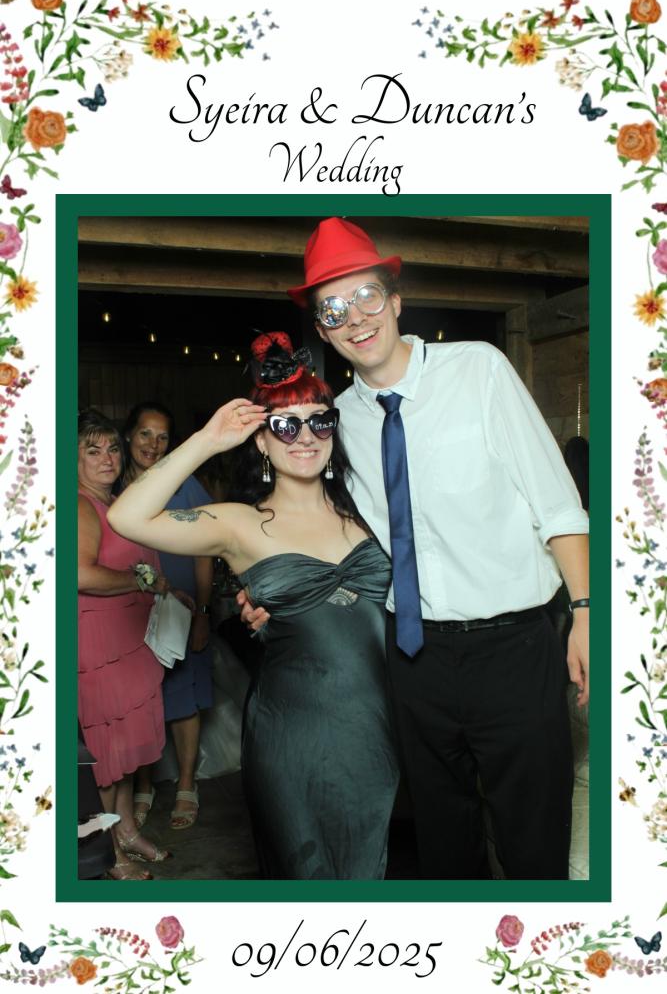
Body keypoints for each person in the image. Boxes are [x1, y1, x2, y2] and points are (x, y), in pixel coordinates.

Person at [243, 218, 590, 881]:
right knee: (443, 847)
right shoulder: (338, 421)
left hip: (514, 649)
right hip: (410, 659)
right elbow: (324, 526)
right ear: (323, 331)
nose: (354, 317)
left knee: (533, 845)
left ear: (396, 301)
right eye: (333, 309)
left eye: (367, 296)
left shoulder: (478, 370)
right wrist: (272, 591)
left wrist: (585, 609)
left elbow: (556, 503)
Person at [107, 334, 399, 880]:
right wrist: (206, 440)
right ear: (262, 441)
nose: (305, 437)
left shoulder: (369, 509)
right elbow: (127, 517)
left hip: (378, 726)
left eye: (320, 422)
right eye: (286, 425)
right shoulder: (240, 523)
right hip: (293, 732)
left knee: (371, 869)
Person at [77, 409, 173, 880]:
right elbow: (80, 574)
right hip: (99, 645)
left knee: (128, 750)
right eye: (92, 450)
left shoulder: (118, 502)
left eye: (113, 448)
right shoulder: (80, 506)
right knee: (108, 757)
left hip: (132, 639)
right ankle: (109, 852)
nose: (107, 458)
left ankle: (128, 831)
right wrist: (139, 580)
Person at [122, 402, 214, 831]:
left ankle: (186, 785)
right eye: (145, 433)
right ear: (128, 435)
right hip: (129, 613)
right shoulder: (113, 482)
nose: (153, 444)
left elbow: (204, 552)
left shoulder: (184, 484)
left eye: (162, 437)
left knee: (183, 697)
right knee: (140, 700)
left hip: (181, 609)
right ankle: (143, 785)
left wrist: (203, 613)